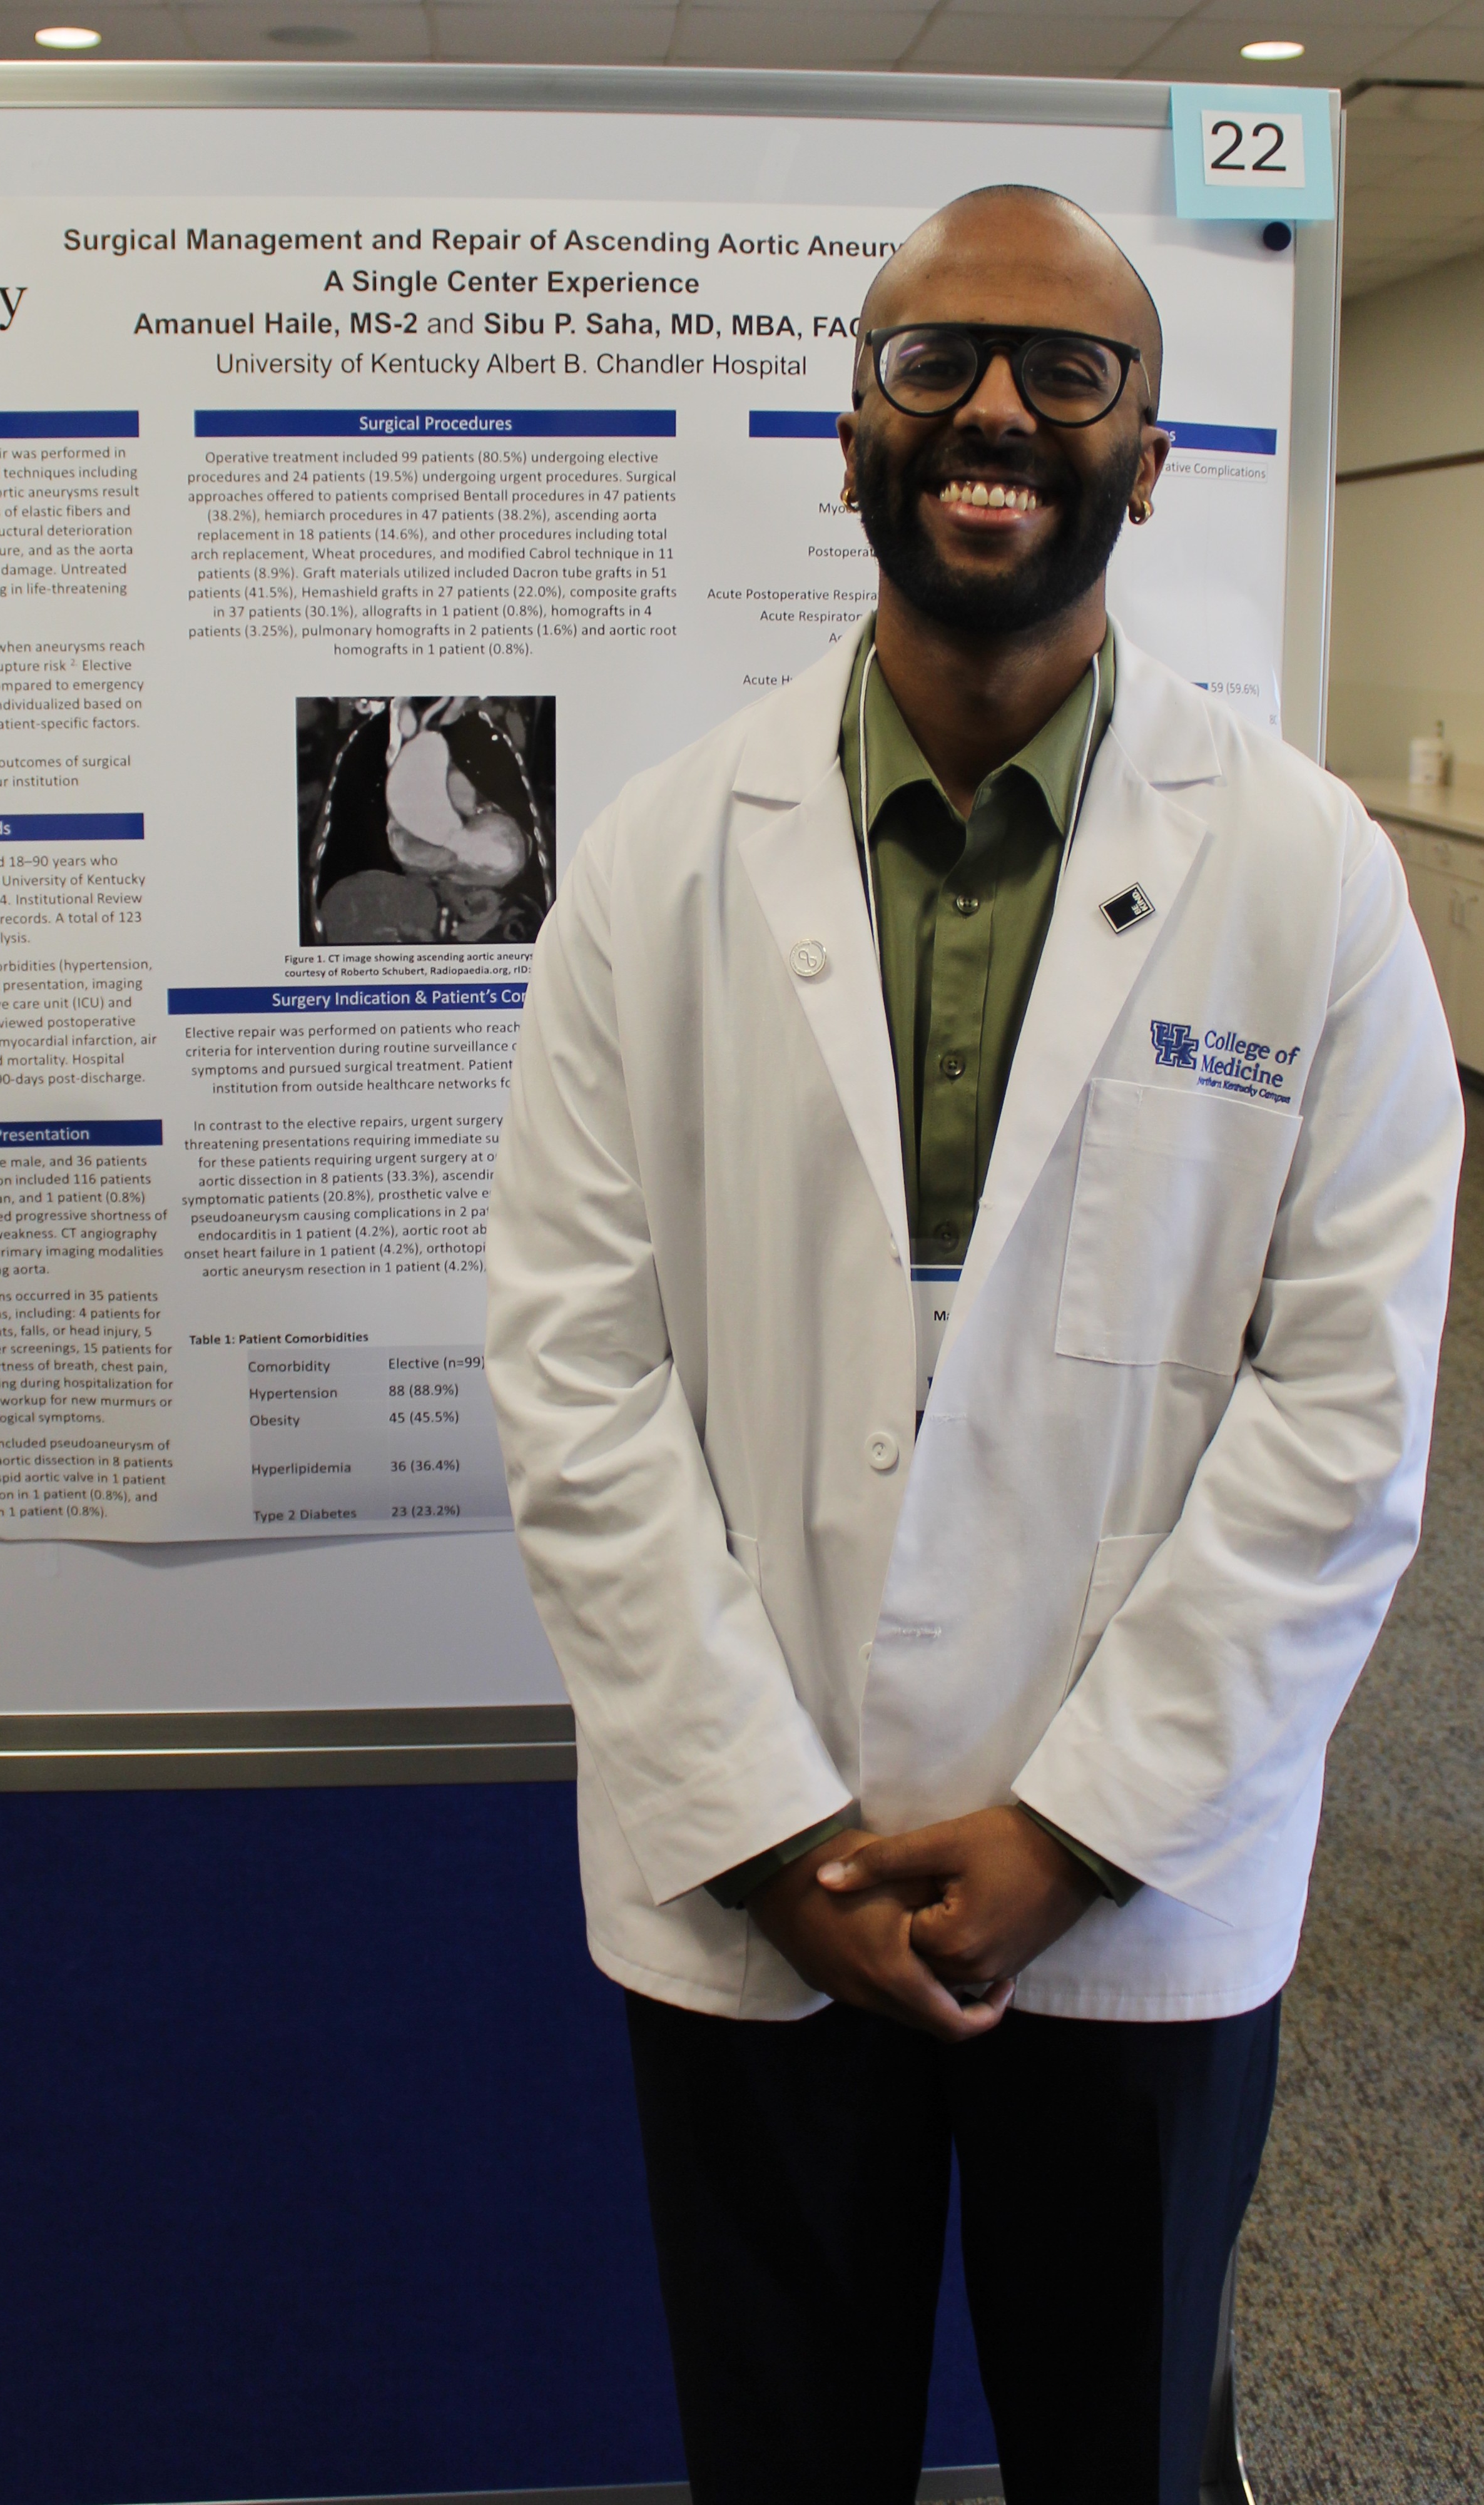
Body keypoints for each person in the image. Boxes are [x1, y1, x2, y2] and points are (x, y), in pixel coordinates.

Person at [484, 186, 1462, 2505]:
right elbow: (570, 1368)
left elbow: (1345, 1407)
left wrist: (1078, 1825)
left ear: (1151, 457)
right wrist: (767, 1823)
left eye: (1067, 369)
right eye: (933, 362)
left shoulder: (1309, 875)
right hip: (765, 1870)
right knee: (782, 2450)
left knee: (1116, 2449)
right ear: (851, 434)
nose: (995, 409)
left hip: (1134, 1878)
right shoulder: (654, 860)